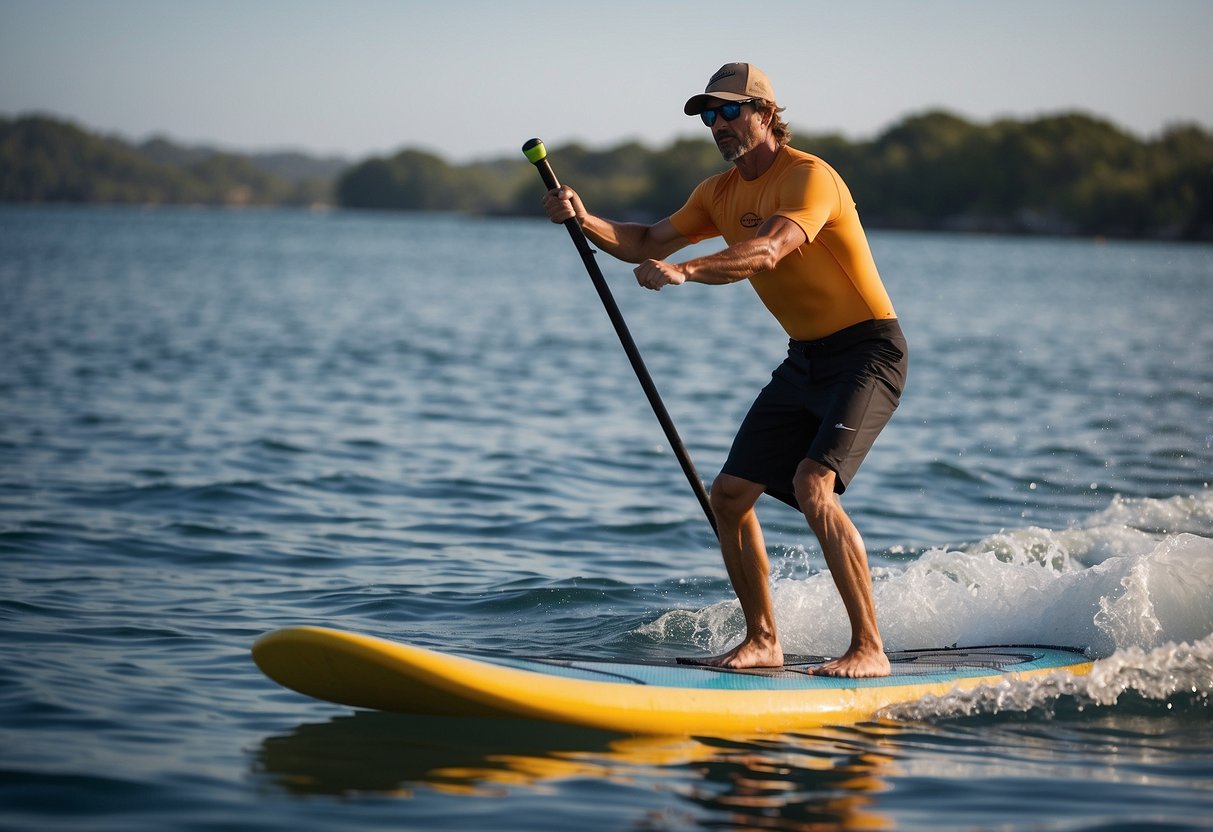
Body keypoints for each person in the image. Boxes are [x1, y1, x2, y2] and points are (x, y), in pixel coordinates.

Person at [543, 63, 908, 678]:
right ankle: (764, 640)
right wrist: (584, 218)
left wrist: (687, 272)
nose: (718, 125)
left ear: (766, 113)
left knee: (813, 486)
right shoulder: (718, 193)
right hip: (805, 358)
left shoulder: (810, 178)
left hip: (868, 352)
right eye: (709, 116)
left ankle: (869, 648)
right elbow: (644, 241)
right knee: (730, 495)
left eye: (730, 111)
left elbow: (768, 250)